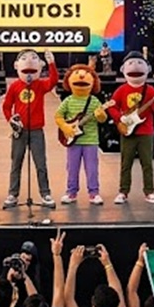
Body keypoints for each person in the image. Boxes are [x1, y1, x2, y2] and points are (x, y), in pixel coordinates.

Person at [103, 52, 154, 204]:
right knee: (126, 163)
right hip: (128, 131)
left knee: (147, 163)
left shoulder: (150, 90)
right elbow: (111, 106)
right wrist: (120, 118)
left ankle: (149, 192)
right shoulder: (122, 90)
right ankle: (123, 191)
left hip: (146, 131)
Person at [2, 50, 58, 207]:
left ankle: (45, 194)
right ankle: (13, 194)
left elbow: (53, 81)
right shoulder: (14, 86)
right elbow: (6, 106)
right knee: (16, 163)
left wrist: (51, 63)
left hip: (36, 131)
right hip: (19, 131)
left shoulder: (40, 85)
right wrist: (10, 120)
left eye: (34, 58)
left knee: (41, 163)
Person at [56, 63, 109, 205]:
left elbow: (102, 119)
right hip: (73, 140)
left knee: (92, 168)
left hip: (91, 140)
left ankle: (94, 193)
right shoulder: (68, 101)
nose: (81, 77)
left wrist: (101, 114)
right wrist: (66, 127)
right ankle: (71, 192)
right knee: (72, 167)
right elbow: (58, 116)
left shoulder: (94, 101)